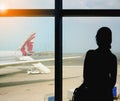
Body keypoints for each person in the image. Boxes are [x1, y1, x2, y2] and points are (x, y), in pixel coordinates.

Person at [83, 27, 117, 101]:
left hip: (92, 94)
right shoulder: (112, 58)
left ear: (98, 39)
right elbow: (112, 81)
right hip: (106, 95)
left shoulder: (90, 54)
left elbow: (86, 77)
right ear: (110, 40)